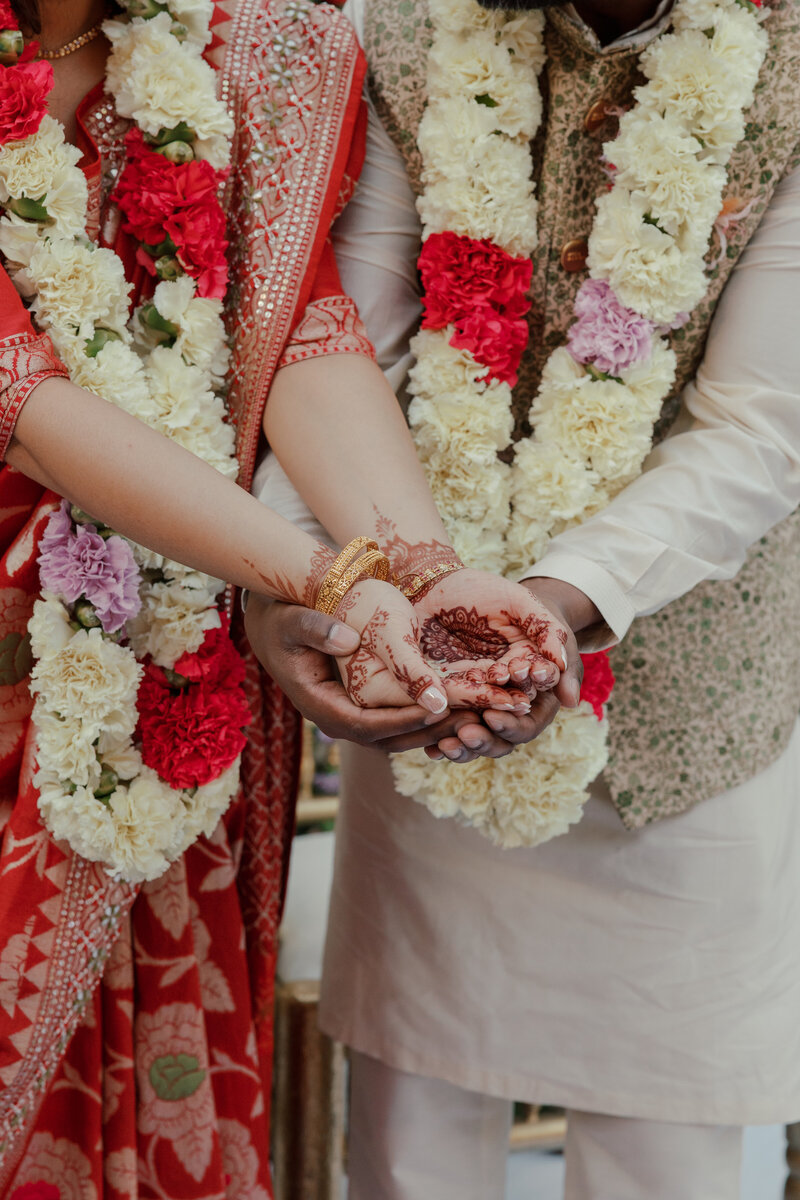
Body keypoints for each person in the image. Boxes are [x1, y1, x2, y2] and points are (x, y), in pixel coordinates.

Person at [0, 0, 578, 1193]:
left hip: (170, 702)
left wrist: (424, 572)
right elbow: (32, 409)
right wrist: (328, 577)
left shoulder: (263, 46)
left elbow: (301, 326)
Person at [245, 0, 800, 1196]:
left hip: (689, 720)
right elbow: (344, 342)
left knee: (669, 1156)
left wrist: (546, 607)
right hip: (430, 680)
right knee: (410, 1144)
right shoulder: (406, 31)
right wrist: (307, 578)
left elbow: (761, 429)